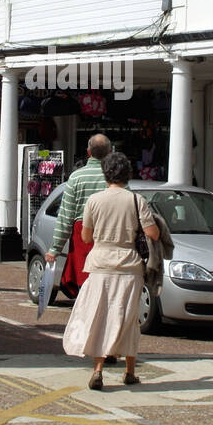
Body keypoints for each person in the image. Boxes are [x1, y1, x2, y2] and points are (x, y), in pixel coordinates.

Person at [62, 151, 160, 390]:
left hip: (100, 265)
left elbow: (86, 235)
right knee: (128, 318)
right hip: (128, 266)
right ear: (128, 175)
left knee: (100, 316)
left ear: (106, 174)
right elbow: (153, 233)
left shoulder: (94, 201)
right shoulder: (137, 201)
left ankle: (98, 369)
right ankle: (129, 371)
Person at [46, 134, 111, 292]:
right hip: (109, 237)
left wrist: (55, 249)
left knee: (85, 287)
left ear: (88, 152)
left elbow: (66, 217)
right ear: (109, 153)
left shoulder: (76, 177)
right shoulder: (115, 178)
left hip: (83, 237)